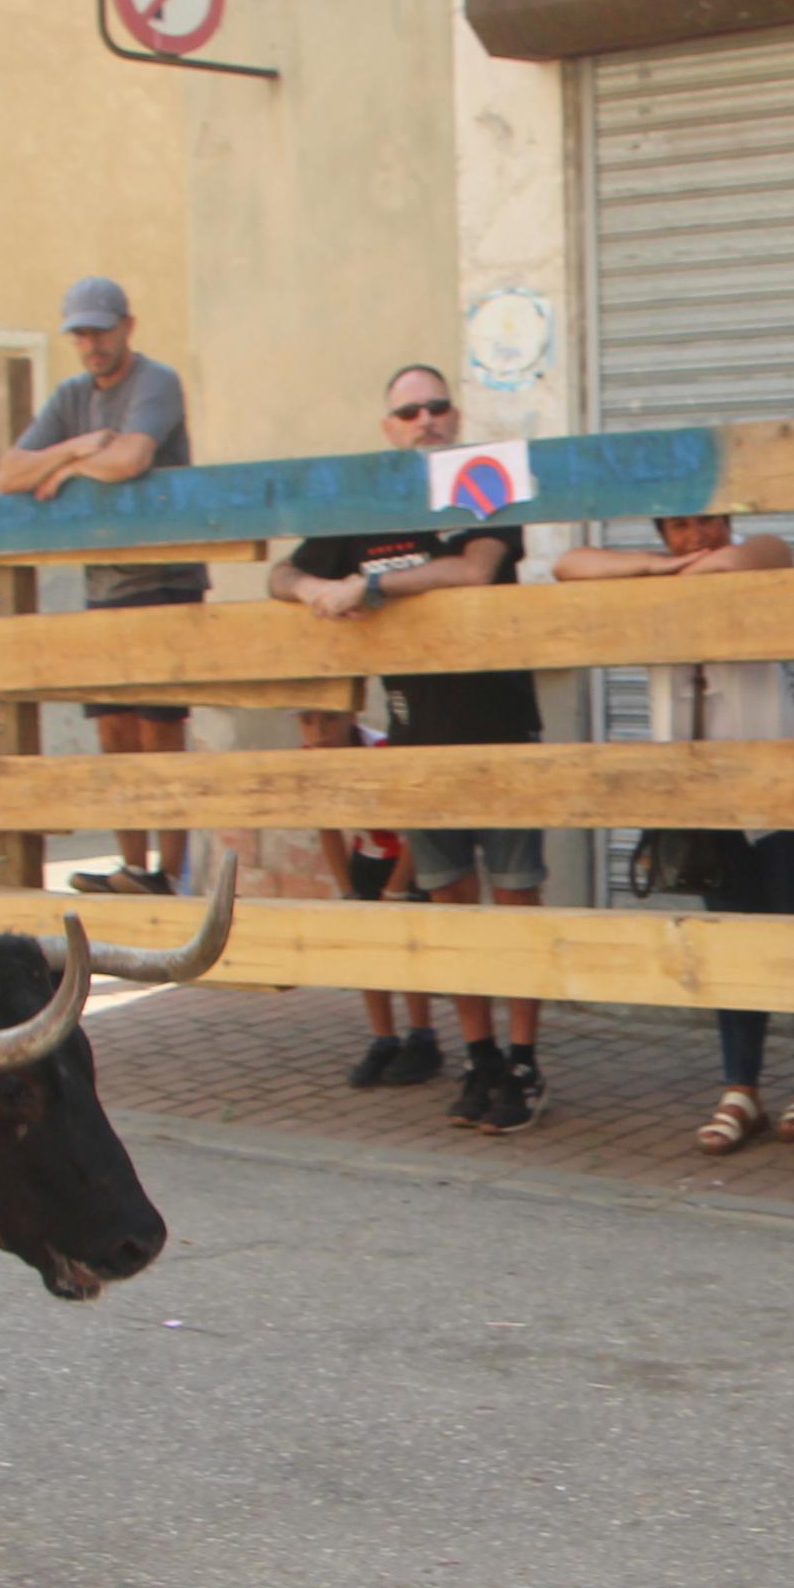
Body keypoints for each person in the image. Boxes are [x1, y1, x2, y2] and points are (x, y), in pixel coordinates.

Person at [271, 364, 548, 1135]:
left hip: (498, 729)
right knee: (450, 906)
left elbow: (475, 569)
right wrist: (313, 591)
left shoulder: (484, 481)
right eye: (408, 411)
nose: (425, 419)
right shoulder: (370, 503)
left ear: (454, 416)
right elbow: (281, 571)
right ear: (387, 427)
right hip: (415, 738)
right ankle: (479, 1057)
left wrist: (369, 586)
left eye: (437, 406)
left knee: (515, 901)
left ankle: (524, 1060)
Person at [555, 511, 794, 1152]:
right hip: (710, 796)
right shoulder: (655, 578)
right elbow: (567, 564)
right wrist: (659, 569)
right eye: (680, 528)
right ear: (661, 535)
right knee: (729, 941)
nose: (698, 538)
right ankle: (740, 1087)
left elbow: (743, 559)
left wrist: (672, 571)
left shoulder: (763, 550)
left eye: (709, 522)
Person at [0, 278, 197, 895]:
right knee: (113, 729)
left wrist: (65, 467)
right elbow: (8, 474)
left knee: (160, 730)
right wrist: (79, 449)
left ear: (127, 327)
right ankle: (132, 866)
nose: (91, 345)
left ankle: (169, 871)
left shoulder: (156, 381)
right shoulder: (71, 397)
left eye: (100, 331)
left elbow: (131, 459)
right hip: (104, 581)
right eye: (80, 334)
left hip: (163, 577)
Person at [299, 705, 446, 1088]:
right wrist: (347, 891)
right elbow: (327, 828)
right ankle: (384, 1038)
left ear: (351, 716)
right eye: (307, 721)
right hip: (366, 856)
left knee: (407, 945)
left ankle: (422, 1036)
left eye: (330, 719)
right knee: (367, 946)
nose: (319, 732)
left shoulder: (382, 752)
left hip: (409, 858)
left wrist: (396, 887)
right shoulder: (309, 760)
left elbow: (416, 828)